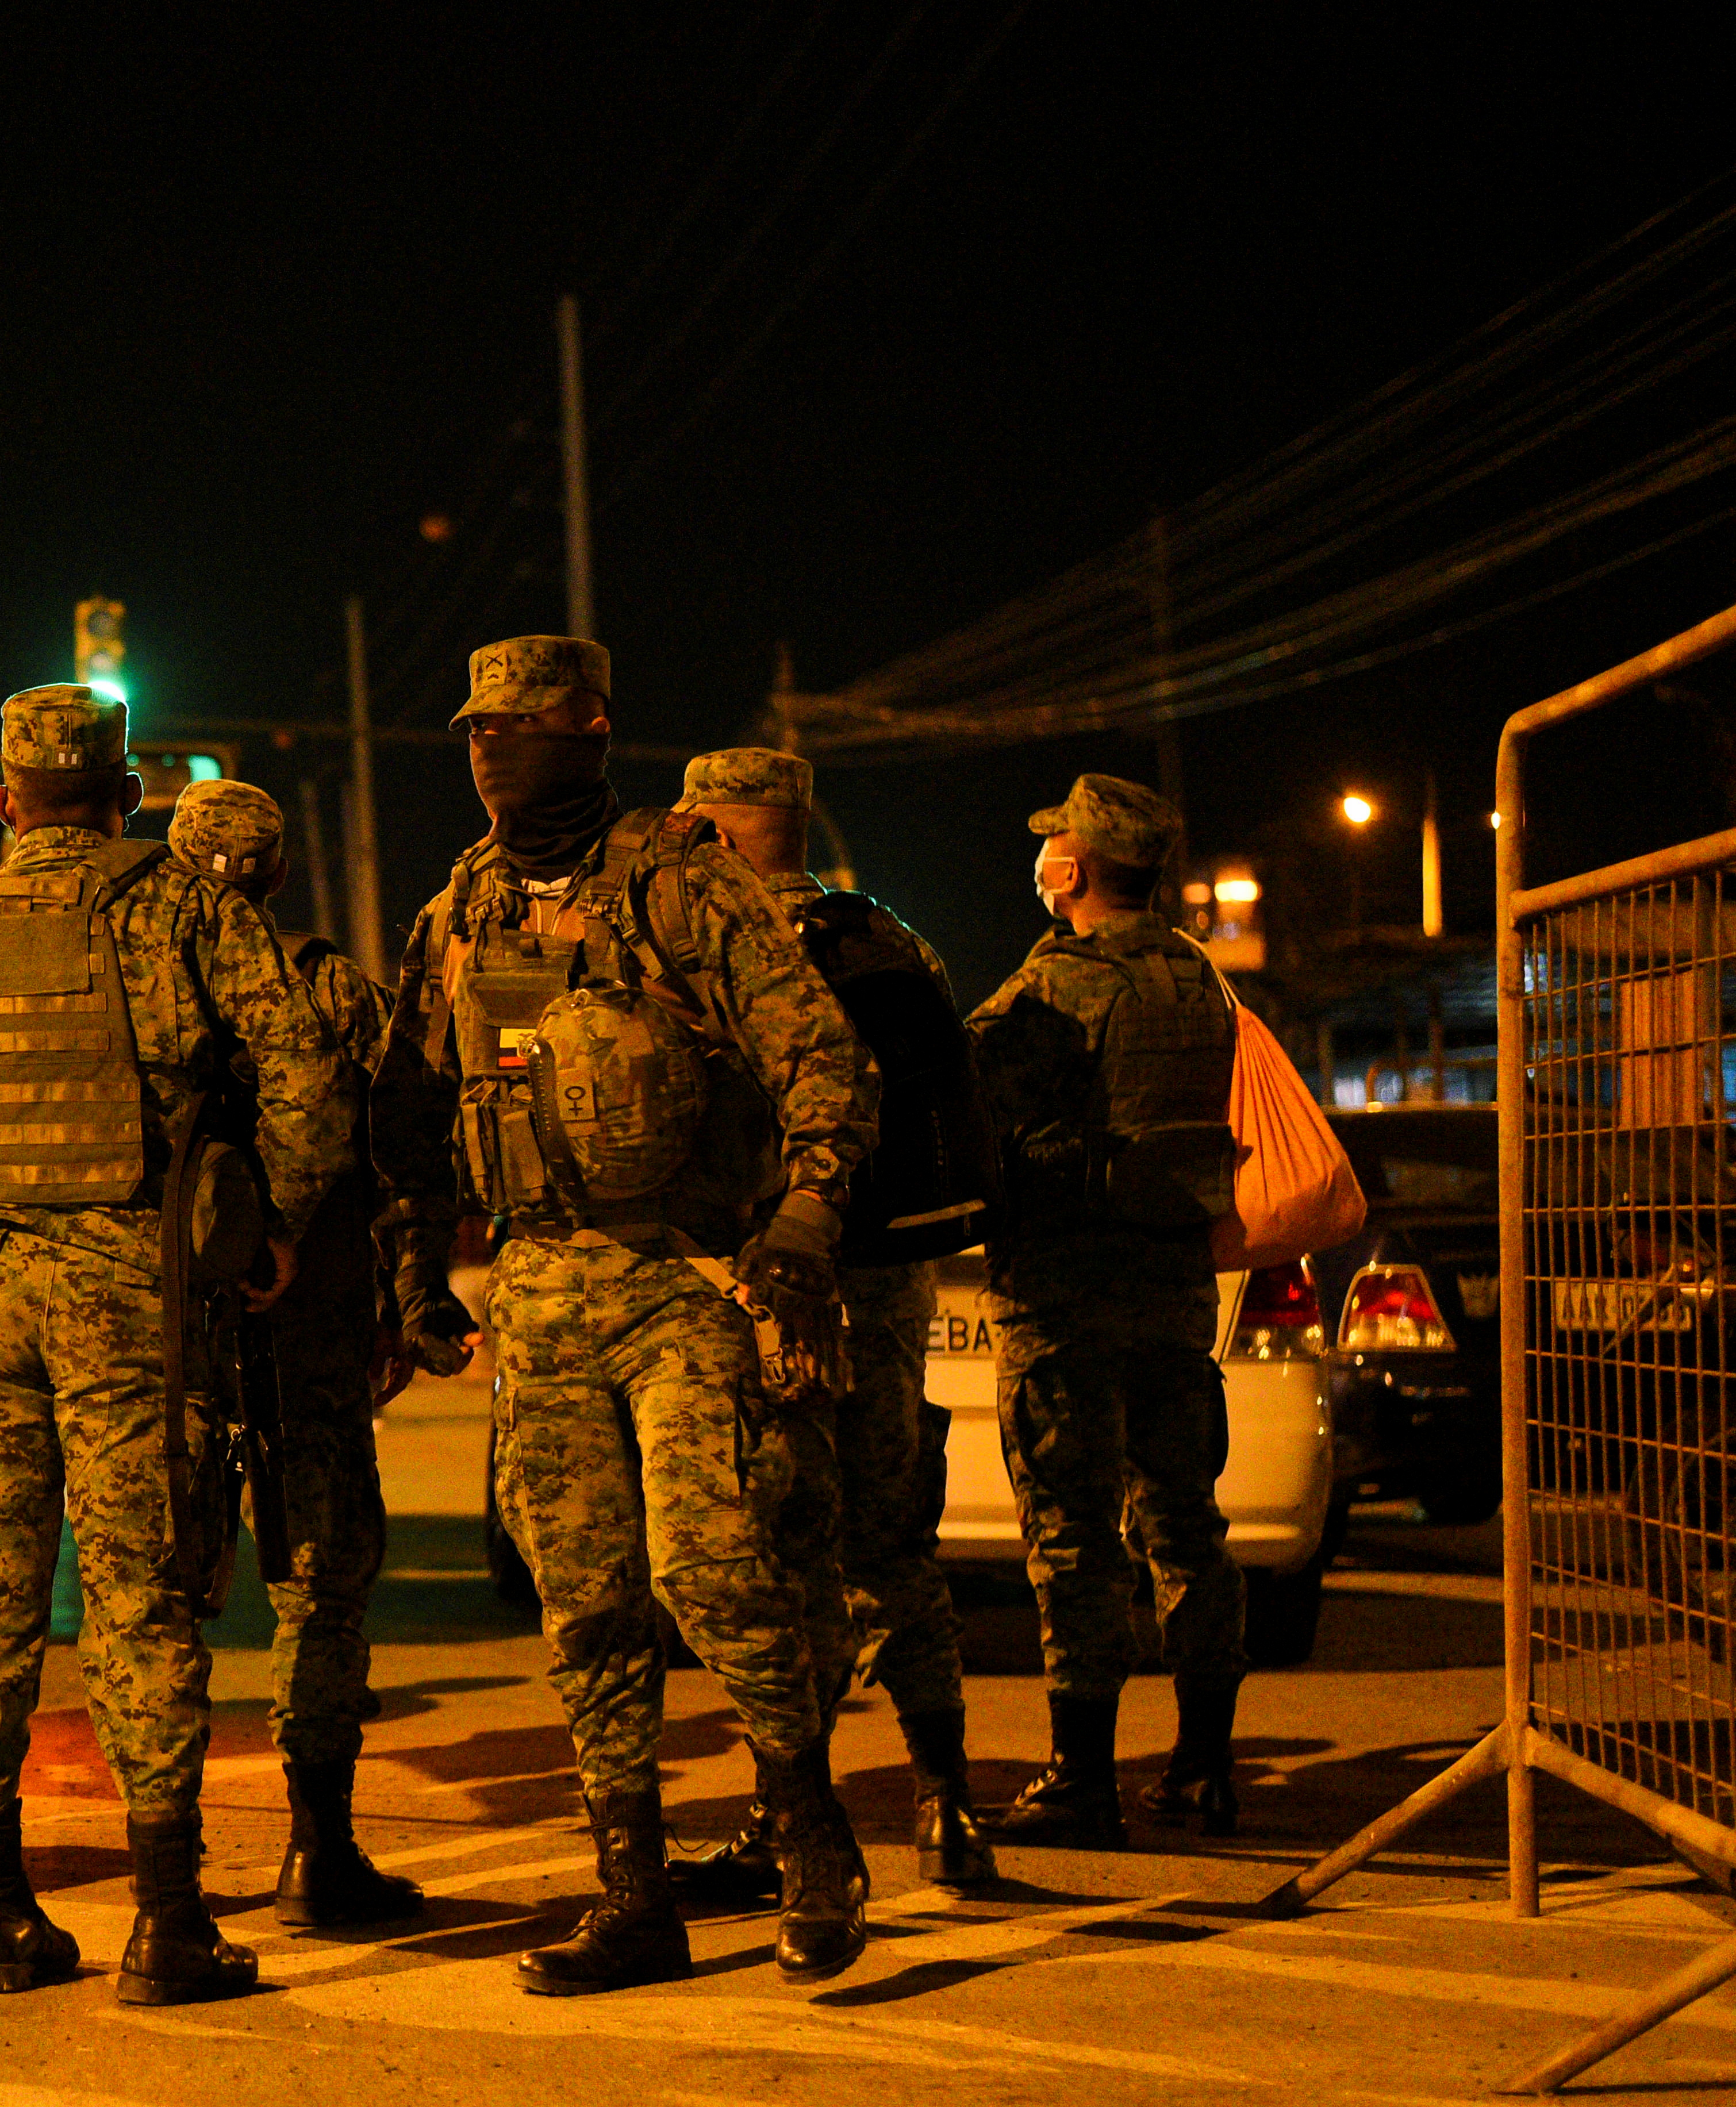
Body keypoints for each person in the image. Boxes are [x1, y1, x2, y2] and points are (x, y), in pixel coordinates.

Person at [369, 637, 878, 1992]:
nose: (490, 746)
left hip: (680, 1279)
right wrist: (417, 1265)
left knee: (712, 1569)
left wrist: (802, 1222)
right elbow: (417, 1109)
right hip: (537, 1290)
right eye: (475, 725)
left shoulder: (680, 886)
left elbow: (822, 1055)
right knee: (580, 1599)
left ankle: (809, 1836)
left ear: (590, 727)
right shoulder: (460, 908)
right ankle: (631, 1889)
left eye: (519, 724)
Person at [0, 687, 348, 2004]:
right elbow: (301, 1073)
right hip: (133, 1283)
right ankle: (164, 1920)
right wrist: (272, 1224)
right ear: (123, 794)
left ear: (5, 799)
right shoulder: (182, 907)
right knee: (141, 1588)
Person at [671, 747, 996, 1901]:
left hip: (775, 1281)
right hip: (892, 1279)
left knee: (781, 1548)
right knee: (895, 1537)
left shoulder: (717, 949)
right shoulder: (894, 941)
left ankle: (783, 1821)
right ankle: (947, 1804)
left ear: (713, 829)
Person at [968, 772, 1247, 1847]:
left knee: (1074, 1534)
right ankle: (1203, 1765)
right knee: (1185, 1525)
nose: (1042, 862)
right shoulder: (1198, 979)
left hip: (1063, 1296)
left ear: (1073, 871)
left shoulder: (1060, 984)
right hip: (1174, 1289)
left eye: (1052, 848)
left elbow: (967, 1086)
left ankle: (1080, 1777)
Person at [164, 779, 424, 1929]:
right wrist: (410, 1304)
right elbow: (405, 1156)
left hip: (165, 1339)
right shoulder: (331, 988)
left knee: (160, 1590)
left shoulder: (133, 984)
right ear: (275, 873)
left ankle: (165, 1875)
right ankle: (318, 1854)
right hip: (309, 1329)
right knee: (318, 1583)